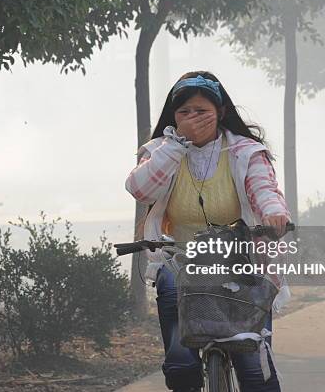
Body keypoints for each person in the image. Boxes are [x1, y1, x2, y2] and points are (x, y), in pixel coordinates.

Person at [124, 71, 292, 392]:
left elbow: (264, 189)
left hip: (242, 261)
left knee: (254, 370)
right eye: (184, 112)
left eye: (201, 112)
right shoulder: (159, 150)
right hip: (179, 259)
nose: (192, 119)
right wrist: (176, 147)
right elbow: (140, 190)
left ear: (221, 113)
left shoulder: (245, 151)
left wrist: (273, 214)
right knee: (181, 366)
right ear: (174, 117)